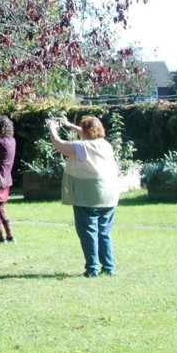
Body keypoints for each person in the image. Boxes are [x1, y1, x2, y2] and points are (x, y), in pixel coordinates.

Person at [47, 116, 119, 277]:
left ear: (85, 132)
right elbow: (87, 134)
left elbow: (60, 145)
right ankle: (108, 267)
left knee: (88, 231)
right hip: (109, 194)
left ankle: (92, 269)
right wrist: (69, 125)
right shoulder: (105, 145)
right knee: (104, 232)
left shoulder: (82, 147)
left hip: (89, 194)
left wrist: (52, 128)